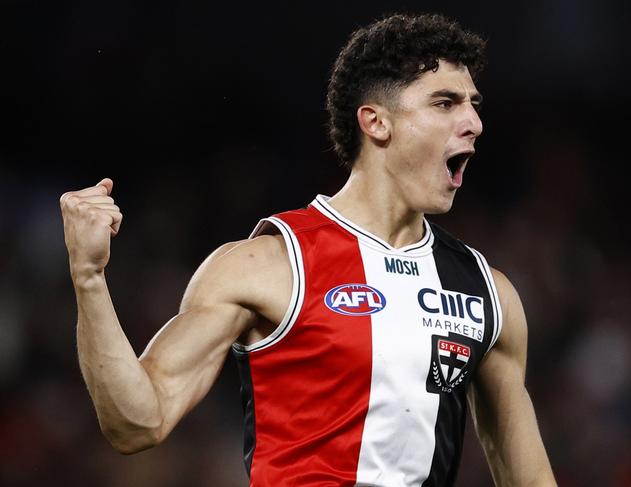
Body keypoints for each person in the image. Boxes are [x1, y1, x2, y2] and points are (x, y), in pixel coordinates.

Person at [60, 13, 556, 487]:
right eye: (445, 104)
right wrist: (88, 277)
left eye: (473, 104)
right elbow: (138, 422)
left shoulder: (489, 293)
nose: (474, 122)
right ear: (376, 122)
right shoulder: (266, 266)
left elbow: (528, 477)